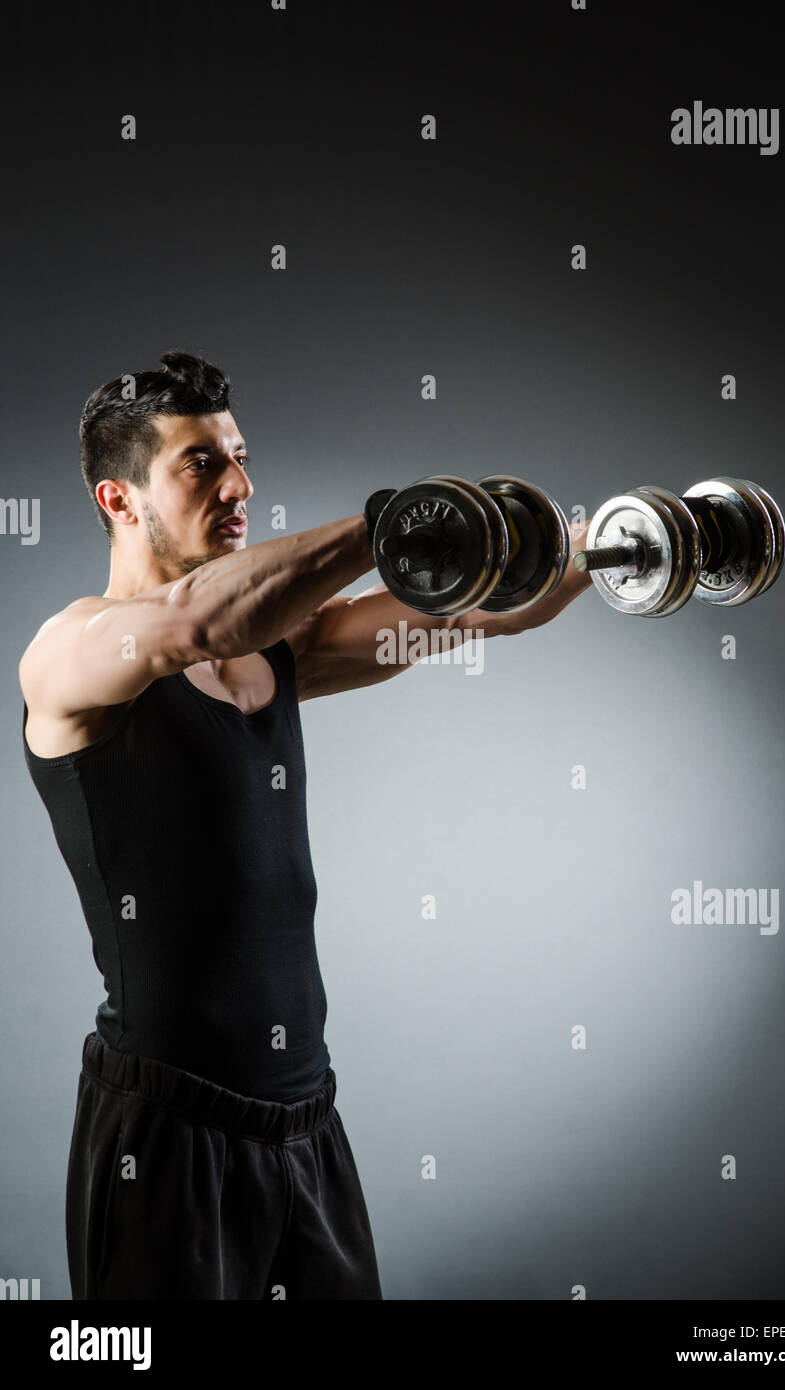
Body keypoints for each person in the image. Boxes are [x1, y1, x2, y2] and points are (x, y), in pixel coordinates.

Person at [18, 349, 592, 1300]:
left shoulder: (280, 650)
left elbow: (487, 608)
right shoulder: (73, 656)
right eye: (200, 464)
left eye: (238, 455)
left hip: (304, 1120)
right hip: (164, 1133)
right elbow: (192, 625)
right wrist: (387, 525)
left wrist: (617, 543)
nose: (239, 485)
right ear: (117, 500)